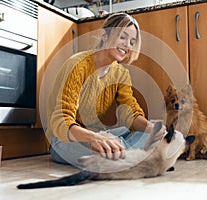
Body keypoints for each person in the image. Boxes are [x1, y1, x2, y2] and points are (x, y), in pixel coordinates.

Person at [46, 12, 160, 167]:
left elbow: (130, 114)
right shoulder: (78, 65)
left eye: (132, 41)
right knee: (115, 148)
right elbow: (62, 120)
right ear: (104, 35)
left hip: (99, 136)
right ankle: (131, 153)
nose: (128, 45)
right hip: (65, 140)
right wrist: (94, 138)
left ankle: (125, 151)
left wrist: (153, 130)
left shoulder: (121, 73)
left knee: (153, 130)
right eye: (123, 37)